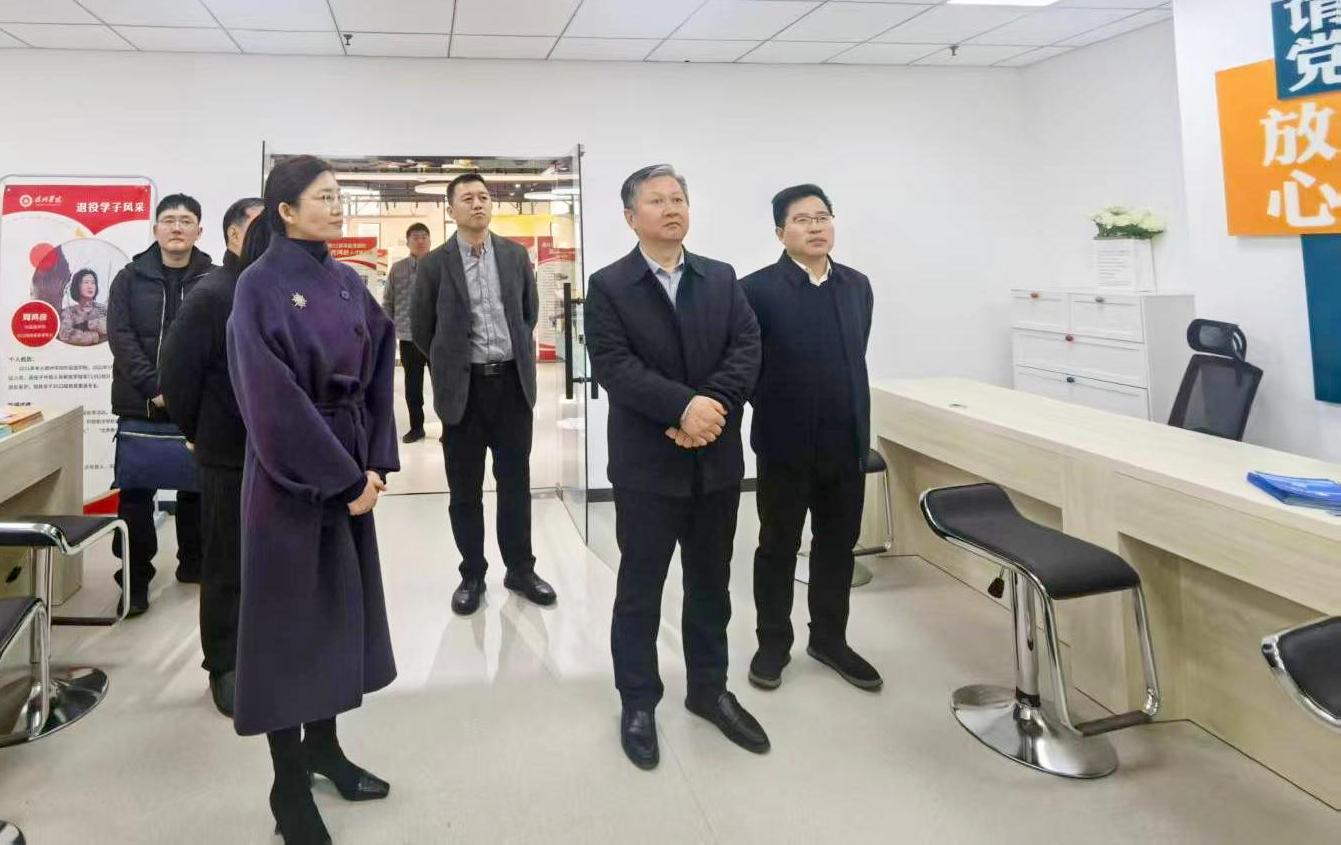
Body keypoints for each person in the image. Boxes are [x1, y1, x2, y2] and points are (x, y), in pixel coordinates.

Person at [227, 156, 399, 844]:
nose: (337, 206)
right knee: (287, 628)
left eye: (338, 195)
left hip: (351, 462)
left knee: (337, 614)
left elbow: (382, 359)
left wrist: (375, 461)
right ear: (286, 210)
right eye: (324, 197)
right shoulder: (258, 286)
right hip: (290, 477)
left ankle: (325, 748)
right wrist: (343, 479)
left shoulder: (347, 280)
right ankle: (287, 783)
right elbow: (270, 400)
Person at [584, 164, 765, 771]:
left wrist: (707, 409)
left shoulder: (721, 278)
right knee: (640, 589)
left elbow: (746, 348)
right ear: (630, 216)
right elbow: (614, 366)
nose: (671, 208)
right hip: (647, 467)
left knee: (711, 585)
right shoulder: (610, 286)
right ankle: (638, 701)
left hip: (715, 461)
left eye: (679, 198)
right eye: (657, 200)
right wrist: (682, 408)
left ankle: (710, 690)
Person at [742, 185, 882, 694]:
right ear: (781, 232)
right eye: (802, 219)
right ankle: (772, 643)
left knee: (838, 546)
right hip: (785, 445)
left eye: (822, 216)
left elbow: (854, 355)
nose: (816, 226)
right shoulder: (755, 290)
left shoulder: (856, 286)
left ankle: (829, 639)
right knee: (777, 546)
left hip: (846, 443)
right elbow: (746, 368)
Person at [411, 172, 556, 616]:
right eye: (468, 198)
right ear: (451, 209)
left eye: (484, 197)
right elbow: (422, 330)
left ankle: (520, 569)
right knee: (464, 490)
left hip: (511, 386)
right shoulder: (434, 265)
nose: (478, 204)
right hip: (464, 392)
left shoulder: (514, 256)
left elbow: (528, 314)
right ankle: (472, 573)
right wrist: (454, 364)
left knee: (515, 484)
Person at [159, 196, 263, 718]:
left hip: (274, 452)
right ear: (233, 236)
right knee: (225, 562)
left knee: (264, 557)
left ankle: (262, 651)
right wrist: (199, 432)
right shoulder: (215, 293)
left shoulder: (269, 289)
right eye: (261, 227)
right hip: (226, 452)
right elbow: (176, 373)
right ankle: (223, 663)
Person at [107, 193, 215, 614]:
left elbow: (218, 341)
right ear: (155, 229)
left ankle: (194, 564)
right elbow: (121, 337)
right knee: (136, 496)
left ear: (198, 231)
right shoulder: (129, 278)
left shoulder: (213, 279)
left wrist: (186, 390)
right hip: (140, 403)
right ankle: (134, 582)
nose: (176, 227)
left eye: (186, 221)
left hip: (198, 406)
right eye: (169, 220)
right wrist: (155, 387)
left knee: (196, 491)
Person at [384, 222, 432, 443]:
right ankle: (416, 427)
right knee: (412, 387)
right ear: (408, 242)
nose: (420, 241)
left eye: (423, 237)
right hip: (408, 337)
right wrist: (386, 329)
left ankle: (450, 428)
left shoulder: (440, 265)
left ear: (429, 240)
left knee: (444, 386)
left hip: (436, 337)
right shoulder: (397, 269)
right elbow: (388, 301)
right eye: (415, 237)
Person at [58, 268, 108, 346]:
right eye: (86, 282)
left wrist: (90, 324)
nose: (90, 286)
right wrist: (94, 336)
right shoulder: (69, 312)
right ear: (77, 286)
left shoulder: (103, 309)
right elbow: (65, 335)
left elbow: (111, 327)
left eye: (93, 283)